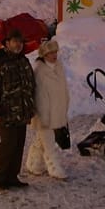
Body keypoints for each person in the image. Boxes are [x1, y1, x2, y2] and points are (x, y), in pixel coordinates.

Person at [0, 29, 36, 191]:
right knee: (8, 144)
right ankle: (0, 176)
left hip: (21, 111)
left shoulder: (24, 61)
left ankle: (12, 176)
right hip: (6, 112)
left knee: (19, 144)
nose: (18, 45)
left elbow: (30, 85)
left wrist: (30, 107)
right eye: (15, 41)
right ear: (7, 43)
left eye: (20, 42)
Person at [24, 38, 70, 180]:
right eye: (51, 53)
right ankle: (54, 168)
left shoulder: (58, 66)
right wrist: (43, 116)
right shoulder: (39, 70)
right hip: (45, 114)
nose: (54, 55)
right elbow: (39, 96)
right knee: (49, 145)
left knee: (42, 140)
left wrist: (65, 104)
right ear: (44, 54)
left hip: (57, 111)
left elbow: (63, 88)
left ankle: (34, 164)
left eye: (55, 52)